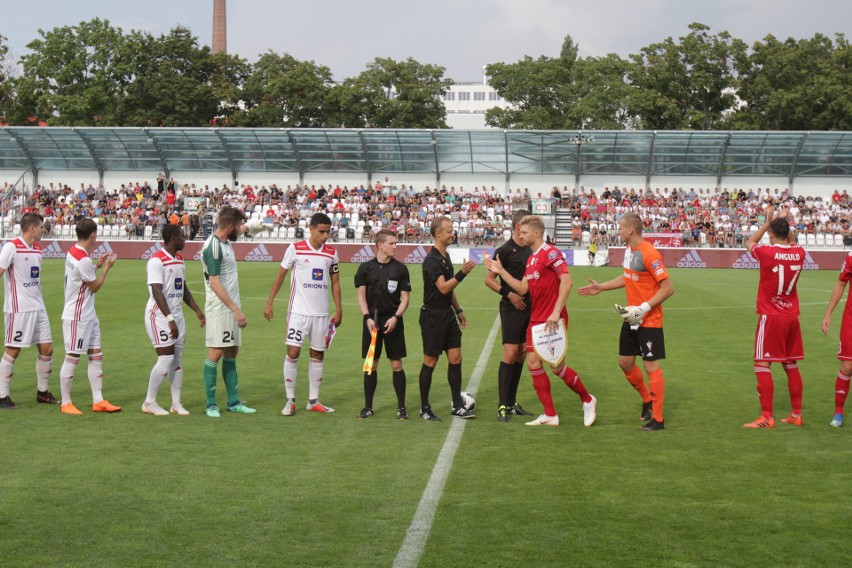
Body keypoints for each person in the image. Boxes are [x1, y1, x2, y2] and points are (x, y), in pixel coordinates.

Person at [486, 215, 596, 427]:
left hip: (552, 320)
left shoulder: (551, 253)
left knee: (556, 367)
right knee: (533, 363)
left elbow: (567, 280)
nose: (521, 235)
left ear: (536, 233)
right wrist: (501, 271)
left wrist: (556, 312)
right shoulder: (531, 258)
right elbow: (522, 288)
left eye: (524, 232)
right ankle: (550, 414)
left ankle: (587, 399)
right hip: (535, 320)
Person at [578, 212, 673, 431]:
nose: (618, 231)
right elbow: (628, 276)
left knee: (651, 366)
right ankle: (647, 400)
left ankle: (658, 419)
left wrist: (645, 307)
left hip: (649, 319)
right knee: (625, 363)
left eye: (620, 228)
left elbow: (668, 288)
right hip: (631, 317)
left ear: (630, 230)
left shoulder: (650, 253)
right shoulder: (629, 251)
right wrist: (602, 287)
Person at [265, 212, 342, 416]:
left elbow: (335, 281)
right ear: (311, 228)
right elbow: (280, 276)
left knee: (318, 355)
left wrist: (339, 308)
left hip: (321, 314)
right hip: (298, 312)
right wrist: (270, 302)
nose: (325, 236)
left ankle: (313, 401)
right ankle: (290, 400)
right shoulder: (295, 249)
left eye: (328, 232)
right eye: (321, 231)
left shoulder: (332, 253)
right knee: (293, 353)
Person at [740, 205, 805, 428]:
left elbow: (748, 243)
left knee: (762, 363)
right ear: (788, 233)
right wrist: (784, 222)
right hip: (792, 316)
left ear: (771, 235)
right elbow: (792, 240)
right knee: (790, 364)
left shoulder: (766, 252)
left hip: (771, 315)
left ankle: (767, 416)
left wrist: (768, 222)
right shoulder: (800, 252)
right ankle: (796, 415)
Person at [58, 218, 121, 415]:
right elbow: (94, 287)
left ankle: (98, 400)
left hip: (87, 314)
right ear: (93, 235)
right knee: (73, 357)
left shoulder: (74, 252)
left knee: (96, 355)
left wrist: (97, 265)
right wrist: (107, 268)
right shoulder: (83, 259)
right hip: (77, 315)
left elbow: (81, 277)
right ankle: (66, 403)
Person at [142, 225, 205, 416]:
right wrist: (169, 318)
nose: (185, 239)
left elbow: (182, 287)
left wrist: (196, 310)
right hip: (159, 315)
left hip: (177, 315)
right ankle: (149, 402)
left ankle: (176, 403)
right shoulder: (156, 261)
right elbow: (156, 291)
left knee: (176, 361)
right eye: (181, 236)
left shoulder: (179, 259)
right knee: (166, 358)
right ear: (172, 238)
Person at [418, 216, 477, 421]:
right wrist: (463, 273)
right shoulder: (432, 260)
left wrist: (458, 311)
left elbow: (449, 289)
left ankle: (457, 405)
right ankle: (424, 408)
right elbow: (443, 287)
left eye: (452, 230)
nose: (453, 233)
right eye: (449, 230)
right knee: (431, 360)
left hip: (447, 314)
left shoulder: (445, 257)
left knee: (456, 358)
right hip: (432, 315)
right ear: (437, 234)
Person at [200, 206, 255, 418]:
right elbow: (214, 282)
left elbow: (243, 228)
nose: (241, 230)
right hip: (219, 309)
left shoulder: (226, 240)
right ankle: (211, 404)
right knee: (215, 353)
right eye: (239, 226)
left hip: (231, 308)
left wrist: (257, 226)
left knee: (231, 352)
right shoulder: (213, 248)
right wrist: (235, 310)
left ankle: (233, 402)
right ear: (230, 227)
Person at [0, 213, 58, 409]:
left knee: (47, 349)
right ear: (31, 228)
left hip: (38, 307)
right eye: (41, 227)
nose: (44, 230)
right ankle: (2, 395)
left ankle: (42, 393)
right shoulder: (11, 247)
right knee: (13, 350)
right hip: (19, 309)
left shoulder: (38, 250)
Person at [353, 229, 411, 419]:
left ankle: (401, 408)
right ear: (380, 245)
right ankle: (368, 407)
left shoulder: (400, 269)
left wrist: (396, 317)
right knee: (371, 364)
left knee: (396, 364)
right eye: (392, 243)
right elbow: (361, 296)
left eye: (396, 243)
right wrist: (366, 317)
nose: (395, 246)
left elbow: (405, 299)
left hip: (393, 321)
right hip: (372, 321)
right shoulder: (365, 268)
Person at [484, 209, 534, 422]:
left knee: (522, 352)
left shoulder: (533, 249)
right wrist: (509, 294)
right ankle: (502, 405)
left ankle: (512, 403)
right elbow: (489, 280)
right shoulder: (504, 251)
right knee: (511, 351)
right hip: (512, 308)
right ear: (517, 228)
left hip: (531, 307)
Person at [821, 249, 852, 427]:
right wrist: (828, 314)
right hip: (851, 318)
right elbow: (840, 285)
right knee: (847, 366)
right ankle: (838, 412)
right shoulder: (851, 258)